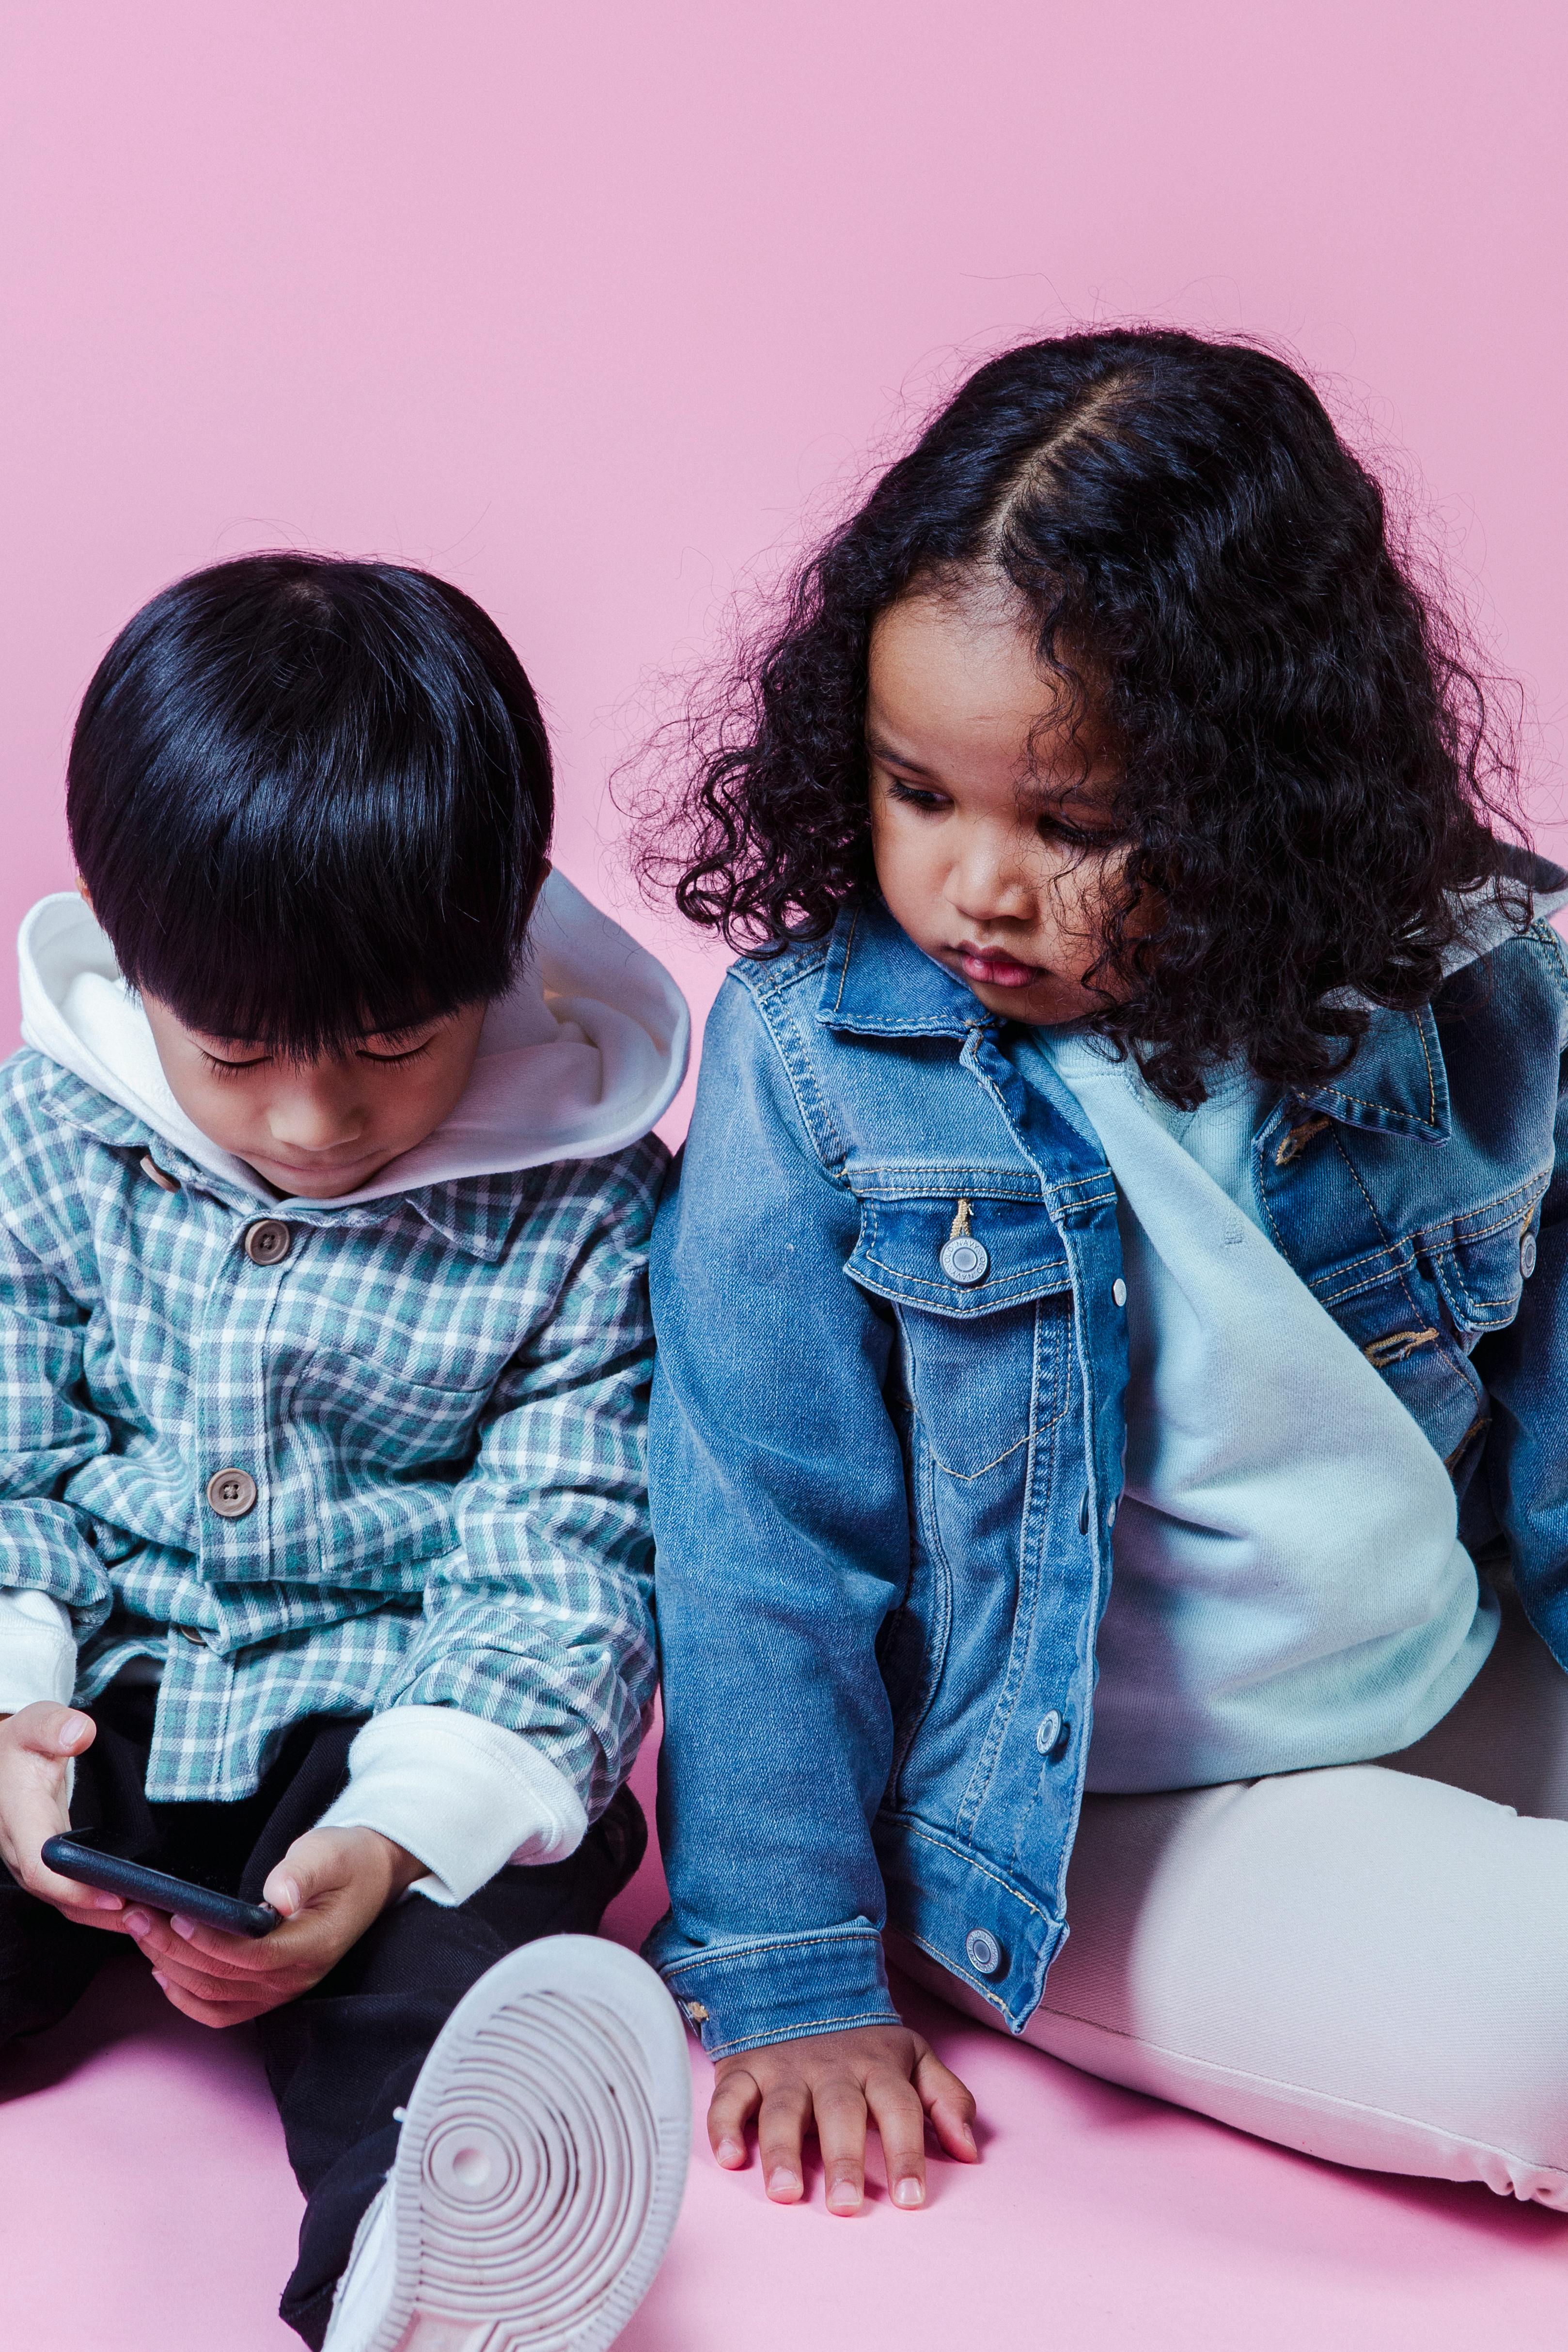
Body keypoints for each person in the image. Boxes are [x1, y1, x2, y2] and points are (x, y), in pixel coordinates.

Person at [639, 331, 1568, 2222]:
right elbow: (760, 1529)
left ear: (1256, 793)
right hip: (1078, 1809)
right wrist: (786, 1961)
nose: (977, 885)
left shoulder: (1471, 976)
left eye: (1068, 827)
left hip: (1439, 1676)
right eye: (917, 792)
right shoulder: (820, 1064)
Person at [0, 553, 692, 2349]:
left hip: (392, 1726)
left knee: (453, 1985)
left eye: (395, 1046)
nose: (316, 1123)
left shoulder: (593, 1201)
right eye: (232, 1055)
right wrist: (12, 1701)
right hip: (99, 1693)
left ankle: (425, 2261)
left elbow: (566, 1553)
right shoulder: (50, 1124)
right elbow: (12, 1431)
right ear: (135, 960)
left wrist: (396, 1836)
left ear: (509, 942)